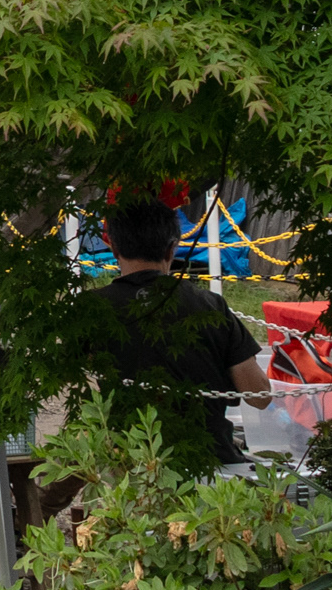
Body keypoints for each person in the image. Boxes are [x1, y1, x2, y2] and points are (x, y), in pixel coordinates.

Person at [96, 195, 271, 466]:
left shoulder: (91, 311)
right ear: (172, 249)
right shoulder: (210, 306)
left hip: (129, 463)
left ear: (114, 247)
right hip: (211, 460)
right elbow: (259, 396)